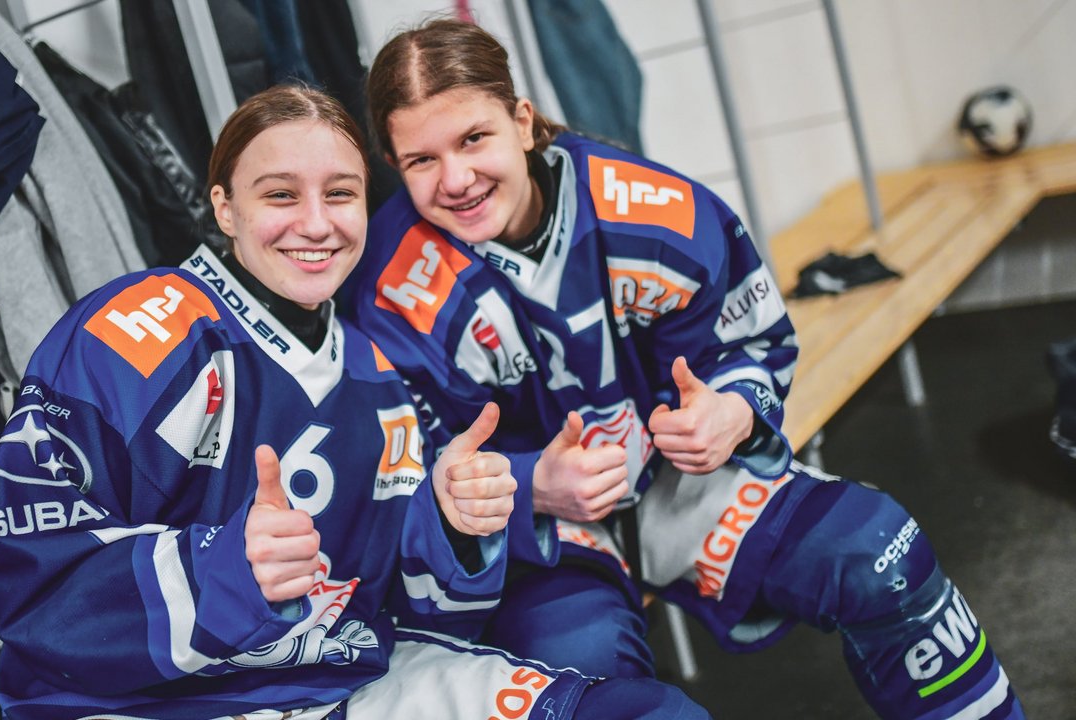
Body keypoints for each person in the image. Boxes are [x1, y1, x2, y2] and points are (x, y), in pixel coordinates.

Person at [346, 18, 1024, 720]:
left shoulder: (651, 210)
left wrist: (729, 411)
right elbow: (404, 479)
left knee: (877, 550)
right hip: (535, 539)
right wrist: (530, 485)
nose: (455, 179)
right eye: (421, 160)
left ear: (521, 121)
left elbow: (751, 345)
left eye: (473, 138)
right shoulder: (387, 294)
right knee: (591, 685)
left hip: (682, 484)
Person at [0, 84, 707, 719]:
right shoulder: (140, 333)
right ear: (224, 209)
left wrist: (452, 523)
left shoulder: (373, 369)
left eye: (340, 193)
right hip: (144, 704)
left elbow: (416, 607)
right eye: (279, 195)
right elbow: (35, 592)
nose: (317, 223)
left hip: (332, 684)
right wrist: (223, 571)